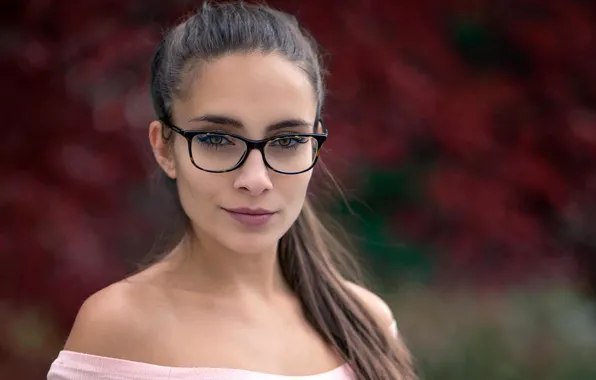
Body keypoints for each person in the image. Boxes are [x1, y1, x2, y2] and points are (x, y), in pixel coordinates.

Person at [47, 1, 416, 379]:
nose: (255, 179)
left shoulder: (366, 324)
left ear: (315, 144)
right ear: (164, 148)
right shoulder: (119, 326)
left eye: (287, 141)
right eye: (217, 139)